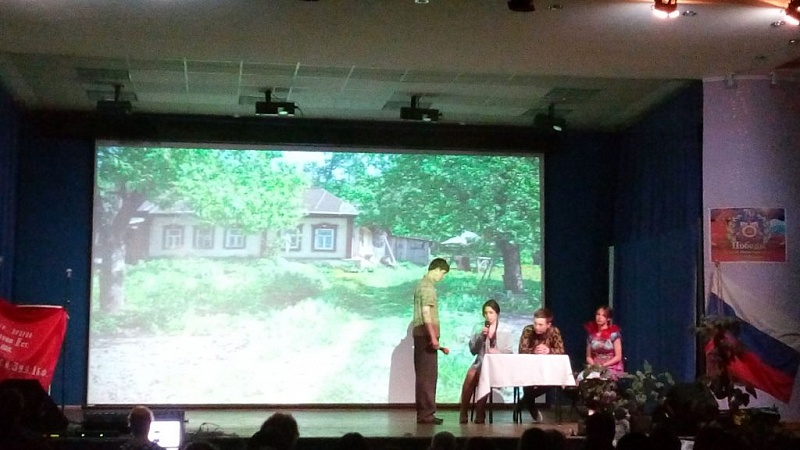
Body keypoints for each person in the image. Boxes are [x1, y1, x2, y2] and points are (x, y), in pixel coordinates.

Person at [458, 299, 514, 424]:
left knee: (482, 374)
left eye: (491, 312)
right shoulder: (479, 327)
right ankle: (463, 411)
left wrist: (498, 352)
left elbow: (509, 352)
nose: (488, 316)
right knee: (471, 374)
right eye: (486, 313)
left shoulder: (505, 329)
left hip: (498, 365)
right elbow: (473, 350)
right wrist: (481, 337)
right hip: (481, 362)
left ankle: (480, 411)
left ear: (497, 314)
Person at [412, 257, 450, 424]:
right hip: (426, 335)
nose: (442, 277)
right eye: (443, 273)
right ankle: (426, 414)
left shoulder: (421, 285)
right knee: (427, 377)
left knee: (424, 376)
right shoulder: (427, 287)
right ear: (437, 269)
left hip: (422, 335)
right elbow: (426, 312)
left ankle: (425, 413)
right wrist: (433, 337)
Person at [516, 307, 565, 422]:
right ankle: (530, 404)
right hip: (530, 368)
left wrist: (549, 350)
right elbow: (522, 349)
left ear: (548, 325)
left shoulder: (554, 331)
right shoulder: (528, 330)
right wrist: (534, 350)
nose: (537, 327)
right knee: (527, 382)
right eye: (535, 323)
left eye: (540, 324)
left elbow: (561, 350)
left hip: (548, 369)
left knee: (551, 383)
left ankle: (524, 401)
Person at [584, 306, 623, 377]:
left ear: (608, 318)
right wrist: (594, 366)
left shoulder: (614, 335)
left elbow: (618, 356)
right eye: (598, 314)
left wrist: (603, 366)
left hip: (611, 367)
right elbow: (588, 357)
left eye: (603, 315)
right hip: (595, 367)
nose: (599, 317)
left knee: (603, 377)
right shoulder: (591, 336)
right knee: (582, 377)